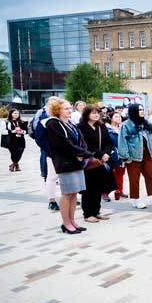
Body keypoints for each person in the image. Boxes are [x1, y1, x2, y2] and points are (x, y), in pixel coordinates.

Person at [45, 98, 92, 234]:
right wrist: (79, 153)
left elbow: (81, 139)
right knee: (67, 193)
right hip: (65, 162)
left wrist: (83, 153)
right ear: (57, 110)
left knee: (74, 193)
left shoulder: (70, 123)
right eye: (66, 108)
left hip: (77, 161)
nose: (69, 110)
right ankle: (66, 223)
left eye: (69, 108)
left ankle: (72, 220)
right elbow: (63, 144)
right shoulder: (53, 124)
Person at [118, 103, 152, 209]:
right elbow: (122, 142)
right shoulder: (126, 125)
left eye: (143, 109)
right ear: (134, 111)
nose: (142, 111)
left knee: (150, 176)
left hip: (146, 153)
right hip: (133, 156)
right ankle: (136, 199)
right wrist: (125, 157)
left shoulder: (145, 123)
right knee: (134, 178)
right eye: (139, 110)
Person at [77, 105, 115, 223]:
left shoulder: (101, 126)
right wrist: (100, 154)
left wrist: (106, 153)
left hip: (101, 161)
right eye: (93, 113)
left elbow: (109, 142)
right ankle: (88, 213)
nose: (96, 115)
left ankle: (96, 211)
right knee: (89, 188)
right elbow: (86, 145)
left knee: (99, 186)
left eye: (97, 113)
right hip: (90, 161)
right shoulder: (81, 127)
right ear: (86, 114)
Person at [105, 112, 127, 201]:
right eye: (116, 116)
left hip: (122, 154)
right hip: (111, 154)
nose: (119, 118)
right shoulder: (106, 129)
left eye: (120, 116)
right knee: (109, 174)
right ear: (111, 118)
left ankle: (119, 190)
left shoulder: (122, 128)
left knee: (120, 173)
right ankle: (105, 193)